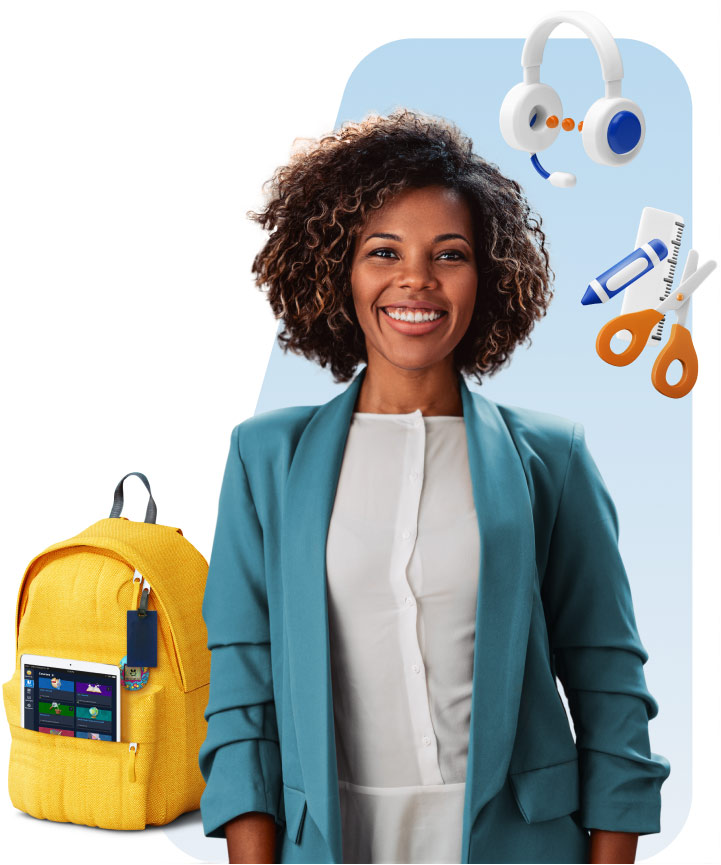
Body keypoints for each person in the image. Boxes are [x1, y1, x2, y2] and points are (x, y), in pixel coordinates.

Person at [198, 109, 670, 864]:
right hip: (328, 840)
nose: (414, 278)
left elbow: (608, 681)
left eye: (447, 254)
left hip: (518, 843)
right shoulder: (266, 458)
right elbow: (241, 697)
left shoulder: (552, 457)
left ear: (486, 278)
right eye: (382, 251)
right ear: (337, 271)